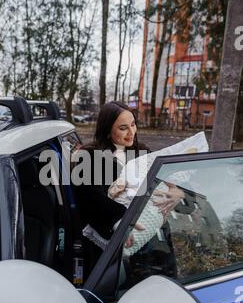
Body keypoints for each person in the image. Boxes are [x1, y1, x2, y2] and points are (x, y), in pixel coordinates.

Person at [72, 101, 185, 279]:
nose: (131, 132)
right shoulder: (90, 157)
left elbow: (166, 180)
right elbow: (89, 198)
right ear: (108, 130)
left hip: (156, 239)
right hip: (117, 247)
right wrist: (120, 224)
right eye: (123, 128)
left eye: (133, 124)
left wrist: (178, 192)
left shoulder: (143, 152)